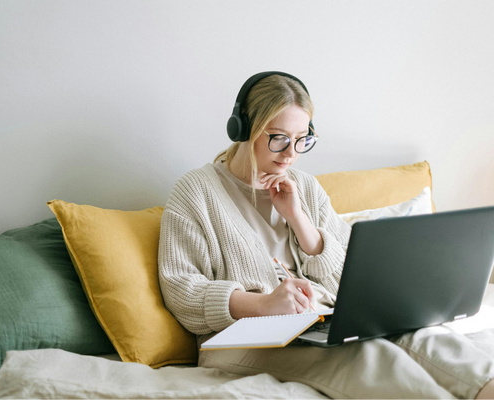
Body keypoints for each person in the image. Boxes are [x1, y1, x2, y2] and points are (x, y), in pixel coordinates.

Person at [158, 71, 494, 400]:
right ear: (244, 129)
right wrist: (263, 304)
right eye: (278, 138)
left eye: (301, 139)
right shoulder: (195, 192)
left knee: (430, 339)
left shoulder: (304, 186)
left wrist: (299, 219)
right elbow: (182, 290)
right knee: (373, 359)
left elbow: (350, 271)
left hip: (321, 321)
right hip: (238, 339)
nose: (291, 153)